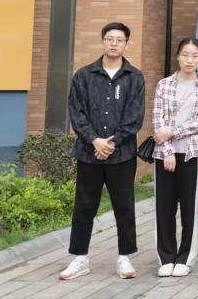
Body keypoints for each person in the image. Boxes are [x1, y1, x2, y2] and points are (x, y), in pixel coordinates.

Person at [59, 22, 146, 281]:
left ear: (126, 44)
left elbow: (135, 117)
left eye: (119, 39)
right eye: (109, 38)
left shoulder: (134, 77)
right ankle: (80, 258)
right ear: (103, 41)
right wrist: (95, 140)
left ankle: (125, 257)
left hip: (122, 154)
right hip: (88, 153)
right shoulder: (84, 75)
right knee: (84, 205)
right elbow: (76, 113)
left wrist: (112, 143)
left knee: (124, 205)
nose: (114, 43)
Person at [151, 37, 198, 277]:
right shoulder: (164, 85)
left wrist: (173, 133)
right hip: (164, 154)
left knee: (190, 207)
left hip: (192, 154)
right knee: (164, 207)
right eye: (185, 55)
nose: (190, 60)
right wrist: (167, 150)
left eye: (195, 56)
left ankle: (185, 257)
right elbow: (157, 119)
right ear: (178, 56)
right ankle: (166, 257)